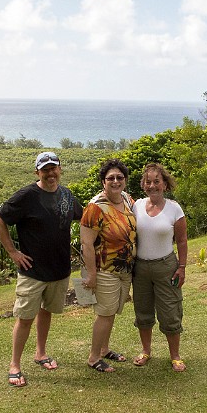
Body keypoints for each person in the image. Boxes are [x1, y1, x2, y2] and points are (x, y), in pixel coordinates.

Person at [0, 151, 83, 387]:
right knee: (24, 318)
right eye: (45, 170)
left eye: (54, 168)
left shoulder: (66, 195)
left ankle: (40, 353)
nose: (50, 174)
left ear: (60, 169)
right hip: (32, 270)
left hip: (59, 269)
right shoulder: (27, 195)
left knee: (46, 312)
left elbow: (84, 217)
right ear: (37, 172)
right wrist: (13, 252)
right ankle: (15, 365)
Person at [80, 158, 137, 373]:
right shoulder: (96, 207)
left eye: (119, 177)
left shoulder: (127, 200)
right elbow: (86, 242)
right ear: (103, 182)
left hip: (124, 269)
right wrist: (92, 275)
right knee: (104, 313)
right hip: (105, 270)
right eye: (110, 178)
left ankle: (104, 349)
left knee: (112, 311)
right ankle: (94, 357)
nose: (115, 181)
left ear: (125, 180)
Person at [131, 163, 188, 372]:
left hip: (166, 266)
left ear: (165, 184)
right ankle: (146, 351)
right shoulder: (136, 205)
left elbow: (181, 241)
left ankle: (175, 356)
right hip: (140, 269)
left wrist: (182, 267)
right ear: (143, 184)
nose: (152, 185)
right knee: (143, 311)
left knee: (170, 311)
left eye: (157, 181)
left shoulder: (174, 208)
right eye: (148, 181)